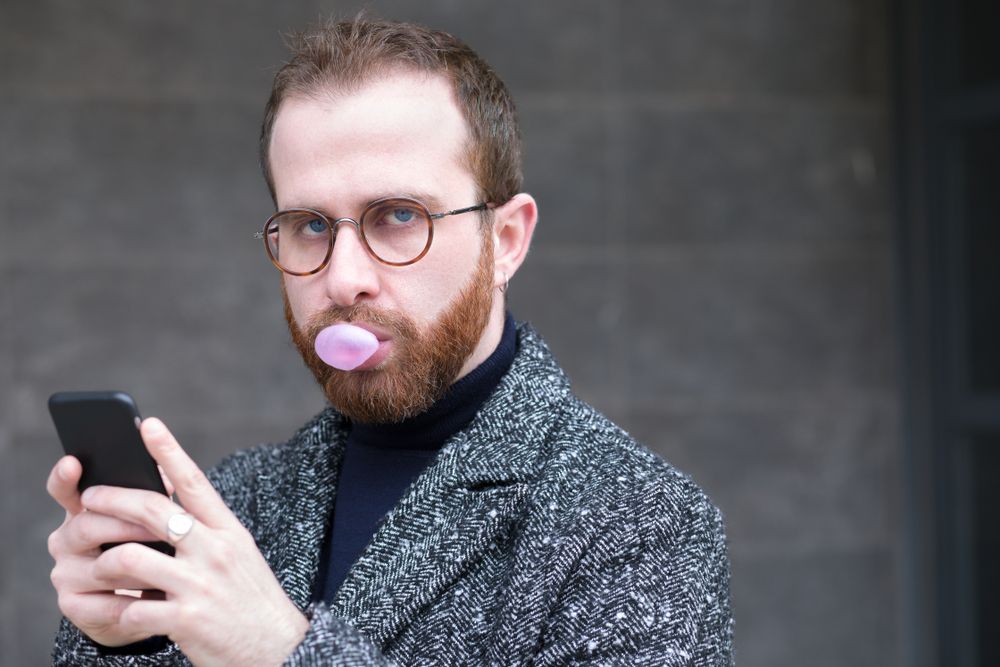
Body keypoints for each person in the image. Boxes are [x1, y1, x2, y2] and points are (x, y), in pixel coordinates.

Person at [47, 18, 734, 666]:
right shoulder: (233, 503)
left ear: (506, 241)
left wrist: (284, 650)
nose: (344, 280)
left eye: (398, 216)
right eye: (311, 225)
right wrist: (119, 640)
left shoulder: (641, 523)